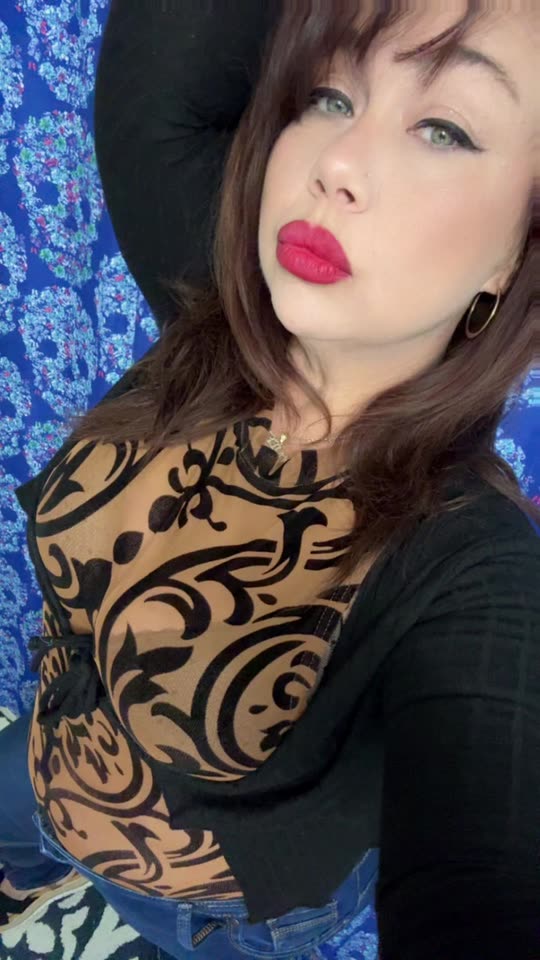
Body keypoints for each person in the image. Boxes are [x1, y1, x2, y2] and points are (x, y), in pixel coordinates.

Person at [3, 1, 539, 958]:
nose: (337, 162)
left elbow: (484, 875)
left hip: (205, 910)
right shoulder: (219, 286)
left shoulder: (467, 568)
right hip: (48, 757)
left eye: (444, 128)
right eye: (329, 94)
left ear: (518, 251)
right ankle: (28, 870)